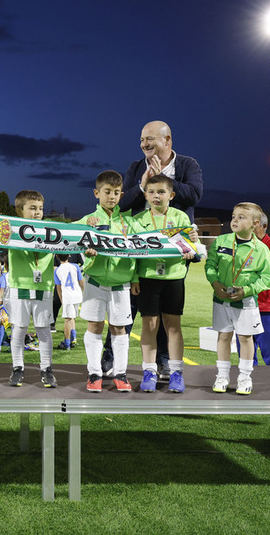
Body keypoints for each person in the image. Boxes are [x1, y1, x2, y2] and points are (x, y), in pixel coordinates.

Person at [112, 120, 204, 375]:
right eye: (142, 140)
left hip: (174, 252)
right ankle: (113, 359)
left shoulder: (188, 164)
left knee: (167, 314)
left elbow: (194, 195)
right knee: (130, 305)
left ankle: (163, 360)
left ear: (168, 140)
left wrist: (164, 181)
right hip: (139, 249)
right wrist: (143, 184)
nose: (145, 144)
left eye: (150, 139)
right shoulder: (136, 166)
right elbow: (123, 203)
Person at [130, 173, 201, 393]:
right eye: (151, 192)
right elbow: (132, 252)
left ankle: (176, 372)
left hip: (173, 278)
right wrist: (133, 278)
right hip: (147, 278)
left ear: (171, 194)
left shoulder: (181, 218)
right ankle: (149, 371)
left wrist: (193, 249)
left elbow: (191, 247)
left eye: (161, 192)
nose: (156, 196)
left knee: (173, 326)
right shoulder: (138, 220)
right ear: (145, 194)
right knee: (149, 325)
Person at [76, 170, 138, 393]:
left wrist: (136, 278)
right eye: (107, 192)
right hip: (95, 282)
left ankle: (121, 373)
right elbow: (70, 239)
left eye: (116, 193)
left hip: (121, 285)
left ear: (121, 194)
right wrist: (86, 241)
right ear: (96, 193)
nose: (112, 196)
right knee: (94, 326)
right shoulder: (88, 221)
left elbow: (144, 248)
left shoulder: (129, 223)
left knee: (119, 328)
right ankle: (94, 374)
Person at [204, 202, 270, 396]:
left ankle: (245, 377)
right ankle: (222, 376)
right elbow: (210, 265)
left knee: (245, 337)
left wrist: (248, 290)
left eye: (241, 217)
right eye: (234, 216)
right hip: (221, 299)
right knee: (223, 336)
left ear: (255, 223)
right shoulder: (221, 241)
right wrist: (214, 283)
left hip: (245, 302)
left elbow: (268, 278)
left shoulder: (261, 249)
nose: (235, 220)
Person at [0, 189, 57, 388]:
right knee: (19, 330)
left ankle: (46, 369)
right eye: (32, 208)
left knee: (44, 331)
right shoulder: (10, 228)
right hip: (19, 287)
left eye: (40, 208)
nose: (37, 212)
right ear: (19, 210)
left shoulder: (51, 228)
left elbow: (75, 230)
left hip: (44, 288)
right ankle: (18, 368)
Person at [251, 213, 270, 364]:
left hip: (268, 307)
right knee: (246, 356)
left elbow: (267, 269)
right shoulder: (240, 245)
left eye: (253, 224)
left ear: (264, 226)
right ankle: (247, 383)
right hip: (245, 304)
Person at [55, 254, 83, 350]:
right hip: (77, 294)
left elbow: (58, 287)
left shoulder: (57, 270)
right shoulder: (75, 266)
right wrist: (83, 292)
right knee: (72, 317)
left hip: (68, 296)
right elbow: (81, 281)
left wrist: (62, 299)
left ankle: (67, 343)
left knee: (68, 319)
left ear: (57, 257)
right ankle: (73, 338)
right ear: (69, 256)